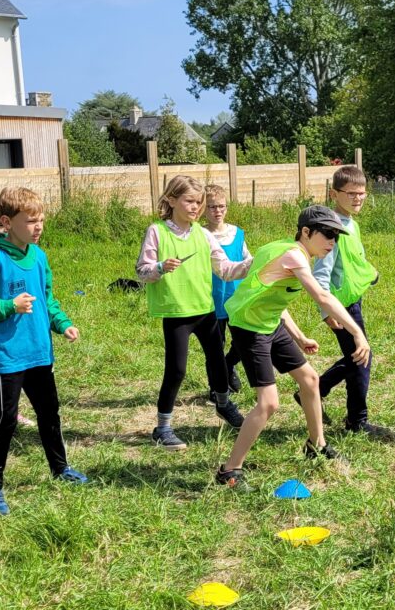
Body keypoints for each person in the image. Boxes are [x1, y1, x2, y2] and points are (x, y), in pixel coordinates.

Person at [215, 205, 371, 490]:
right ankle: (229, 471)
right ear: (306, 232)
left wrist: (298, 336)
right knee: (269, 402)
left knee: (310, 380)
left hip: (270, 324)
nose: (332, 242)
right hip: (250, 330)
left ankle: (316, 445)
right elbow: (322, 296)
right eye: (328, 235)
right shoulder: (292, 255)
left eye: (336, 236)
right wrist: (357, 333)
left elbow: (270, 298)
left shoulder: (288, 251)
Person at [0, 186, 87, 517]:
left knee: (50, 413)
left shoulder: (39, 256)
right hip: (7, 356)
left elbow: (48, 298)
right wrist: (8, 305)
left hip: (39, 352)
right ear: (6, 221)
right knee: (5, 420)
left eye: (42, 219)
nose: (39, 226)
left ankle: (60, 469)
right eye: (31, 221)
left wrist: (62, 323)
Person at [135, 174, 252, 450]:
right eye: (189, 201)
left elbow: (225, 269)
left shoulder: (203, 234)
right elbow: (142, 271)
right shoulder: (157, 231)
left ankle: (223, 405)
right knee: (176, 370)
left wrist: (252, 265)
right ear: (171, 200)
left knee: (218, 362)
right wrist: (160, 267)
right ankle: (162, 428)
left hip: (205, 310)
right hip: (176, 313)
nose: (196, 207)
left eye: (199, 202)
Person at [312, 164, 390, 437]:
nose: (358, 198)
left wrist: (372, 274)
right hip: (339, 307)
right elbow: (320, 274)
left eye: (362, 193)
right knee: (361, 358)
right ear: (334, 194)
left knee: (357, 357)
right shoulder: (331, 228)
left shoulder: (351, 224)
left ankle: (315, 390)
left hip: (352, 302)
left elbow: (355, 261)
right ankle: (357, 420)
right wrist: (325, 310)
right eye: (351, 193)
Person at [0, 201, 34, 443]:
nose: (4, 231)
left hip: (20, 333)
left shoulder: (29, 254)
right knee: (1, 381)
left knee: (16, 380)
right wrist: (8, 306)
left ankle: (8, 415)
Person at [202, 183, 248, 392]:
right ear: (204, 208)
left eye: (221, 206)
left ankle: (229, 365)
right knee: (214, 346)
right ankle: (216, 387)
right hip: (212, 298)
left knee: (243, 341)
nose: (217, 211)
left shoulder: (238, 233)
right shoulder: (200, 235)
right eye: (212, 207)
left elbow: (247, 259)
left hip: (237, 297)